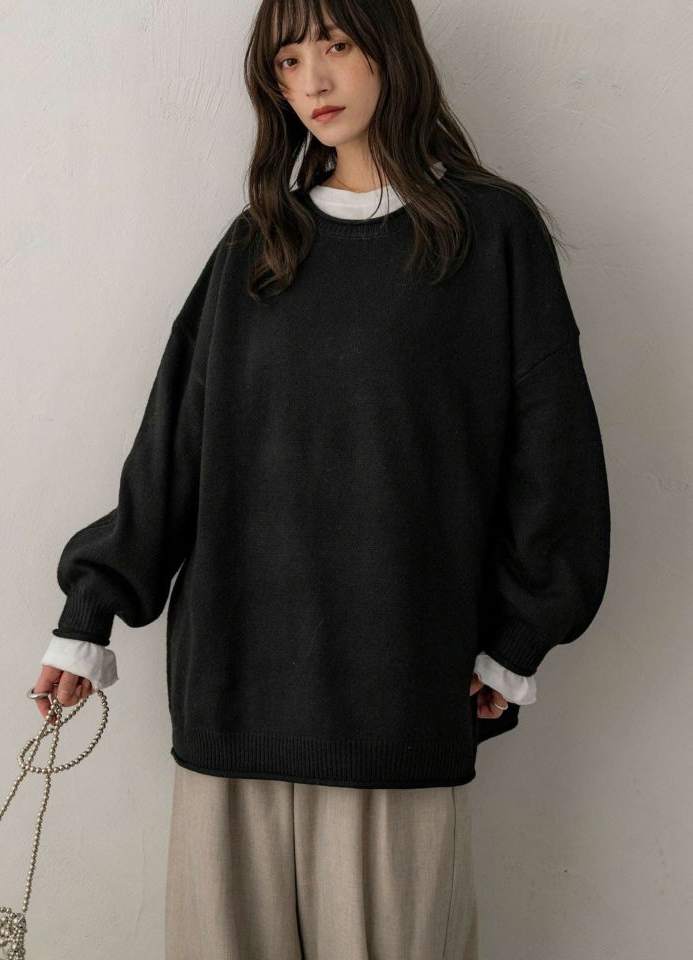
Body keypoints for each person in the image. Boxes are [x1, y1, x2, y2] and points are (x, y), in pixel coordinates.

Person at [30, 1, 610, 956]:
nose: (314, 80)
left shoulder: (490, 235)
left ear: (390, 49)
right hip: (233, 696)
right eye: (289, 60)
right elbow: (174, 447)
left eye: (336, 45)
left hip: (400, 695)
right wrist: (87, 614)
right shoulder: (257, 246)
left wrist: (519, 635)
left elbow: (555, 457)